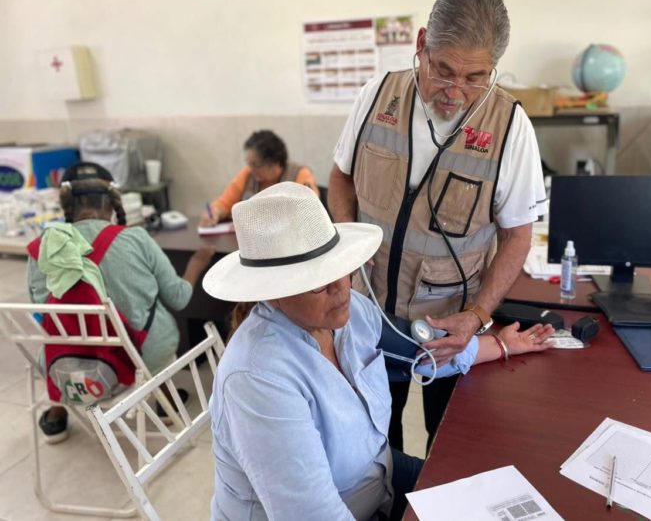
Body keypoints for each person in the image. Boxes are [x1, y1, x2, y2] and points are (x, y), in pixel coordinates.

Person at [203, 182, 553, 521]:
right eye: (318, 283)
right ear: (273, 292)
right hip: (349, 506)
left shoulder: (350, 314)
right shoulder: (258, 379)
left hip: (378, 479)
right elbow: (314, 515)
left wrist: (503, 344)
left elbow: (422, 352)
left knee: (489, 498)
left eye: (340, 268)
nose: (342, 287)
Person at [328, 0, 549, 451]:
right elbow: (341, 178)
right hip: (368, 315)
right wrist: (346, 256)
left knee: (448, 449)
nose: (455, 92)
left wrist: (477, 316)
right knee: (373, 446)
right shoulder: (377, 96)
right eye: (443, 71)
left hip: (449, 329)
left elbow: (517, 237)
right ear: (422, 44)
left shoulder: (511, 128)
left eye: (475, 77)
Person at [27, 162, 215, 443]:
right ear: (111, 202)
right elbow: (178, 298)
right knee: (151, 325)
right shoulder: (135, 238)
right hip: (138, 356)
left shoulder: (42, 247)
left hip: (67, 361)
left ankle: (57, 413)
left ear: (66, 203)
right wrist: (196, 264)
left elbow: (41, 309)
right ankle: (166, 403)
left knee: (58, 336)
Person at [200, 130, 319, 226]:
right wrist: (215, 213)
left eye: (256, 165)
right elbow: (224, 203)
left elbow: (309, 210)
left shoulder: (300, 174)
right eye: (249, 164)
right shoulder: (247, 174)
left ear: (275, 163)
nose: (251, 169)